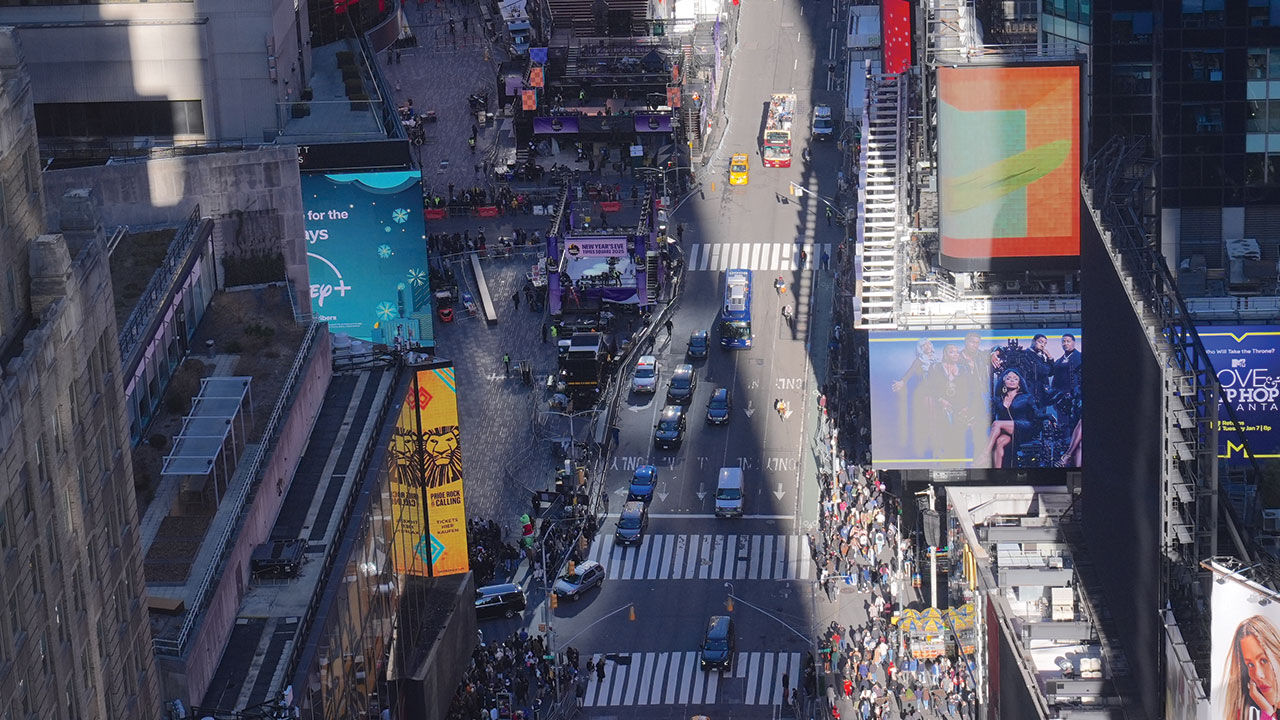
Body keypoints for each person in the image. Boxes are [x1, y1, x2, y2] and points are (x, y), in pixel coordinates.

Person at [978, 368, 1051, 469]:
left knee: (997, 423)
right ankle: (997, 474)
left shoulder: (1027, 397)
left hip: (1024, 428)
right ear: (1004, 382)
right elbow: (990, 417)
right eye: (1009, 378)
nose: (1012, 380)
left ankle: (985, 455)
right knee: (999, 442)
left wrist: (1048, 416)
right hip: (1007, 431)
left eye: (1015, 379)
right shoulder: (998, 399)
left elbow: (1036, 414)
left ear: (1019, 383)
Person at [1223, 615, 1280, 720]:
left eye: (1264, 660)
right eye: (1250, 665)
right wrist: (1268, 713)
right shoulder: (1248, 712)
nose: (1258, 675)